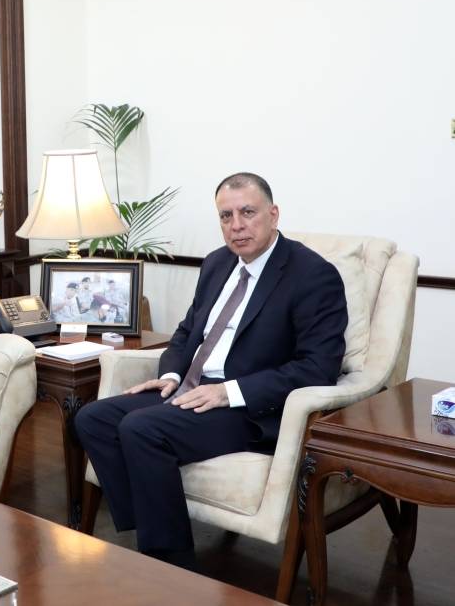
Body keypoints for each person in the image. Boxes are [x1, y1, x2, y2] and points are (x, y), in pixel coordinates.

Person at [75, 172, 347, 570]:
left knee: (141, 428)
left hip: (249, 408)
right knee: (93, 418)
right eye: (225, 216)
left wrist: (228, 392)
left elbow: (318, 368)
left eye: (248, 212)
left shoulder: (312, 275)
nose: (236, 225)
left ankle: (171, 566)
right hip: (192, 388)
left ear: (273, 214)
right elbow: (188, 332)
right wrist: (171, 376)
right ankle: (152, 528)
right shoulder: (218, 263)